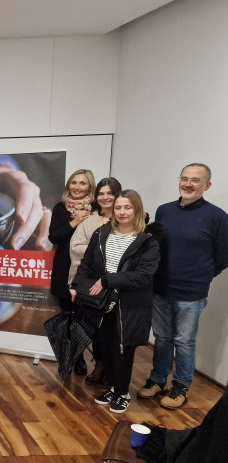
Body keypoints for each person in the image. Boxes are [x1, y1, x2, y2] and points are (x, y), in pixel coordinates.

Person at [138, 163, 228, 409]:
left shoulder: (218, 217)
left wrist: (202, 276)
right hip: (161, 287)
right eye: (185, 178)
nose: (188, 184)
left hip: (191, 293)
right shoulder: (164, 211)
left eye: (196, 180)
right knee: (162, 338)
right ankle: (157, 379)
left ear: (207, 185)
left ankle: (180, 386)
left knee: (184, 341)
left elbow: (223, 255)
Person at [70, 190, 161, 414]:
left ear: (137, 210)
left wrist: (107, 280)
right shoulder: (101, 233)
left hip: (129, 304)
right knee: (105, 346)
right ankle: (112, 387)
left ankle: (122, 393)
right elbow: (87, 264)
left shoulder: (148, 240)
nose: (122, 212)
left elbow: (144, 275)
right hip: (101, 302)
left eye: (127, 207)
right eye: (118, 208)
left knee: (123, 349)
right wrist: (77, 285)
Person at [67, 177, 122, 386]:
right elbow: (75, 247)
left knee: (113, 332)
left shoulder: (125, 219)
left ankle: (114, 370)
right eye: (101, 193)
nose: (105, 197)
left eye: (110, 193)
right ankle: (99, 366)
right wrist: (100, 251)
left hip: (117, 286)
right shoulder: (90, 221)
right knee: (95, 329)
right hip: (90, 285)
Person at [48, 168, 95, 375]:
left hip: (89, 269)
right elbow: (54, 237)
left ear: (90, 186)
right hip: (64, 267)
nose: (77, 187)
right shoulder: (60, 208)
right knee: (67, 315)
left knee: (84, 316)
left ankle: (81, 355)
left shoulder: (97, 208)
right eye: (74, 183)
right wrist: (75, 222)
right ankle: (69, 358)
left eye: (82, 183)